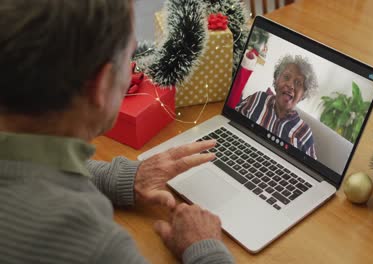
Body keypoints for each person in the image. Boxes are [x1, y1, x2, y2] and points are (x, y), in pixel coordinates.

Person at [0, 1, 233, 263]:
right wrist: (205, 247)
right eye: (130, 57)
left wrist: (122, 178)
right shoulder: (96, 246)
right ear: (101, 85)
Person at [236, 54, 319, 159]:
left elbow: (309, 170)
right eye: (286, 77)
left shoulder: (304, 132)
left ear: (303, 94)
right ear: (276, 80)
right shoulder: (258, 98)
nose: (290, 85)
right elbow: (232, 120)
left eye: (298, 83)